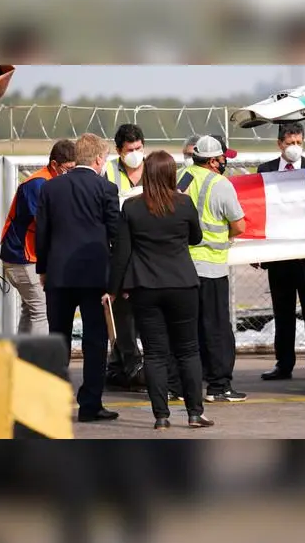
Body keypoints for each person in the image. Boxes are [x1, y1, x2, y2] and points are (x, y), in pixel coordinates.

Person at [108, 150, 214, 429]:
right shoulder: (184, 203)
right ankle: (194, 413)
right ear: (171, 174)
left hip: (145, 286)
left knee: (155, 353)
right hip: (182, 283)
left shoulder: (131, 207)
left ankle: (161, 417)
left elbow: (122, 252)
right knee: (188, 350)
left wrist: (113, 288)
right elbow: (196, 237)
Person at [36, 133, 121, 422]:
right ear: (98, 159)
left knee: (57, 339)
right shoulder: (106, 188)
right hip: (95, 276)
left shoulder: (51, 188)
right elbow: (115, 233)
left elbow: (43, 233)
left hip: (59, 274)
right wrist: (115, 278)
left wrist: (43, 270)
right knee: (94, 341)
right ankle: (90, 405)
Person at [180, 135, 248, 402]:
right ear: (212, 161)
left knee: (189, 329)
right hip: (212, 267)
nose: (225, 163)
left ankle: (185, 386)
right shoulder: (220, 185)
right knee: (217, 328)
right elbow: (239, 225)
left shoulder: (181, 177)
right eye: (223, 159)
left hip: (183, 267)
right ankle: (219, 386)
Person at [257, 123, 305, 381]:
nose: (294, 147)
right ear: (279, 144)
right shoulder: (265, 171)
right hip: (279, 255)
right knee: (282, 312)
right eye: (289, 143)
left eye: (298, 142)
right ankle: (283, 363)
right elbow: (259, 210)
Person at [0, 139, 77, 334]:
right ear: (54, 165)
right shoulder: (38, 184)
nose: (72, 173)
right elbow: (46, 222)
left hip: (26, 257)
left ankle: (22, 359)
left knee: (30, 310)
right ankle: (39, 361)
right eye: (69, 168)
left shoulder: (51, 182)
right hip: (23, 257)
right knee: (42, 311)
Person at [103, 123, 147, 392]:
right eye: (130, 150)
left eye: (139, 148)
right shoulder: (108, 171)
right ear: (118, 151)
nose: (135, 154)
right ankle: (126, 365)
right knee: (122, 316)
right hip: (118, 250)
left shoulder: (152, 169)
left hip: (146, 251)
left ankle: (131, 366)